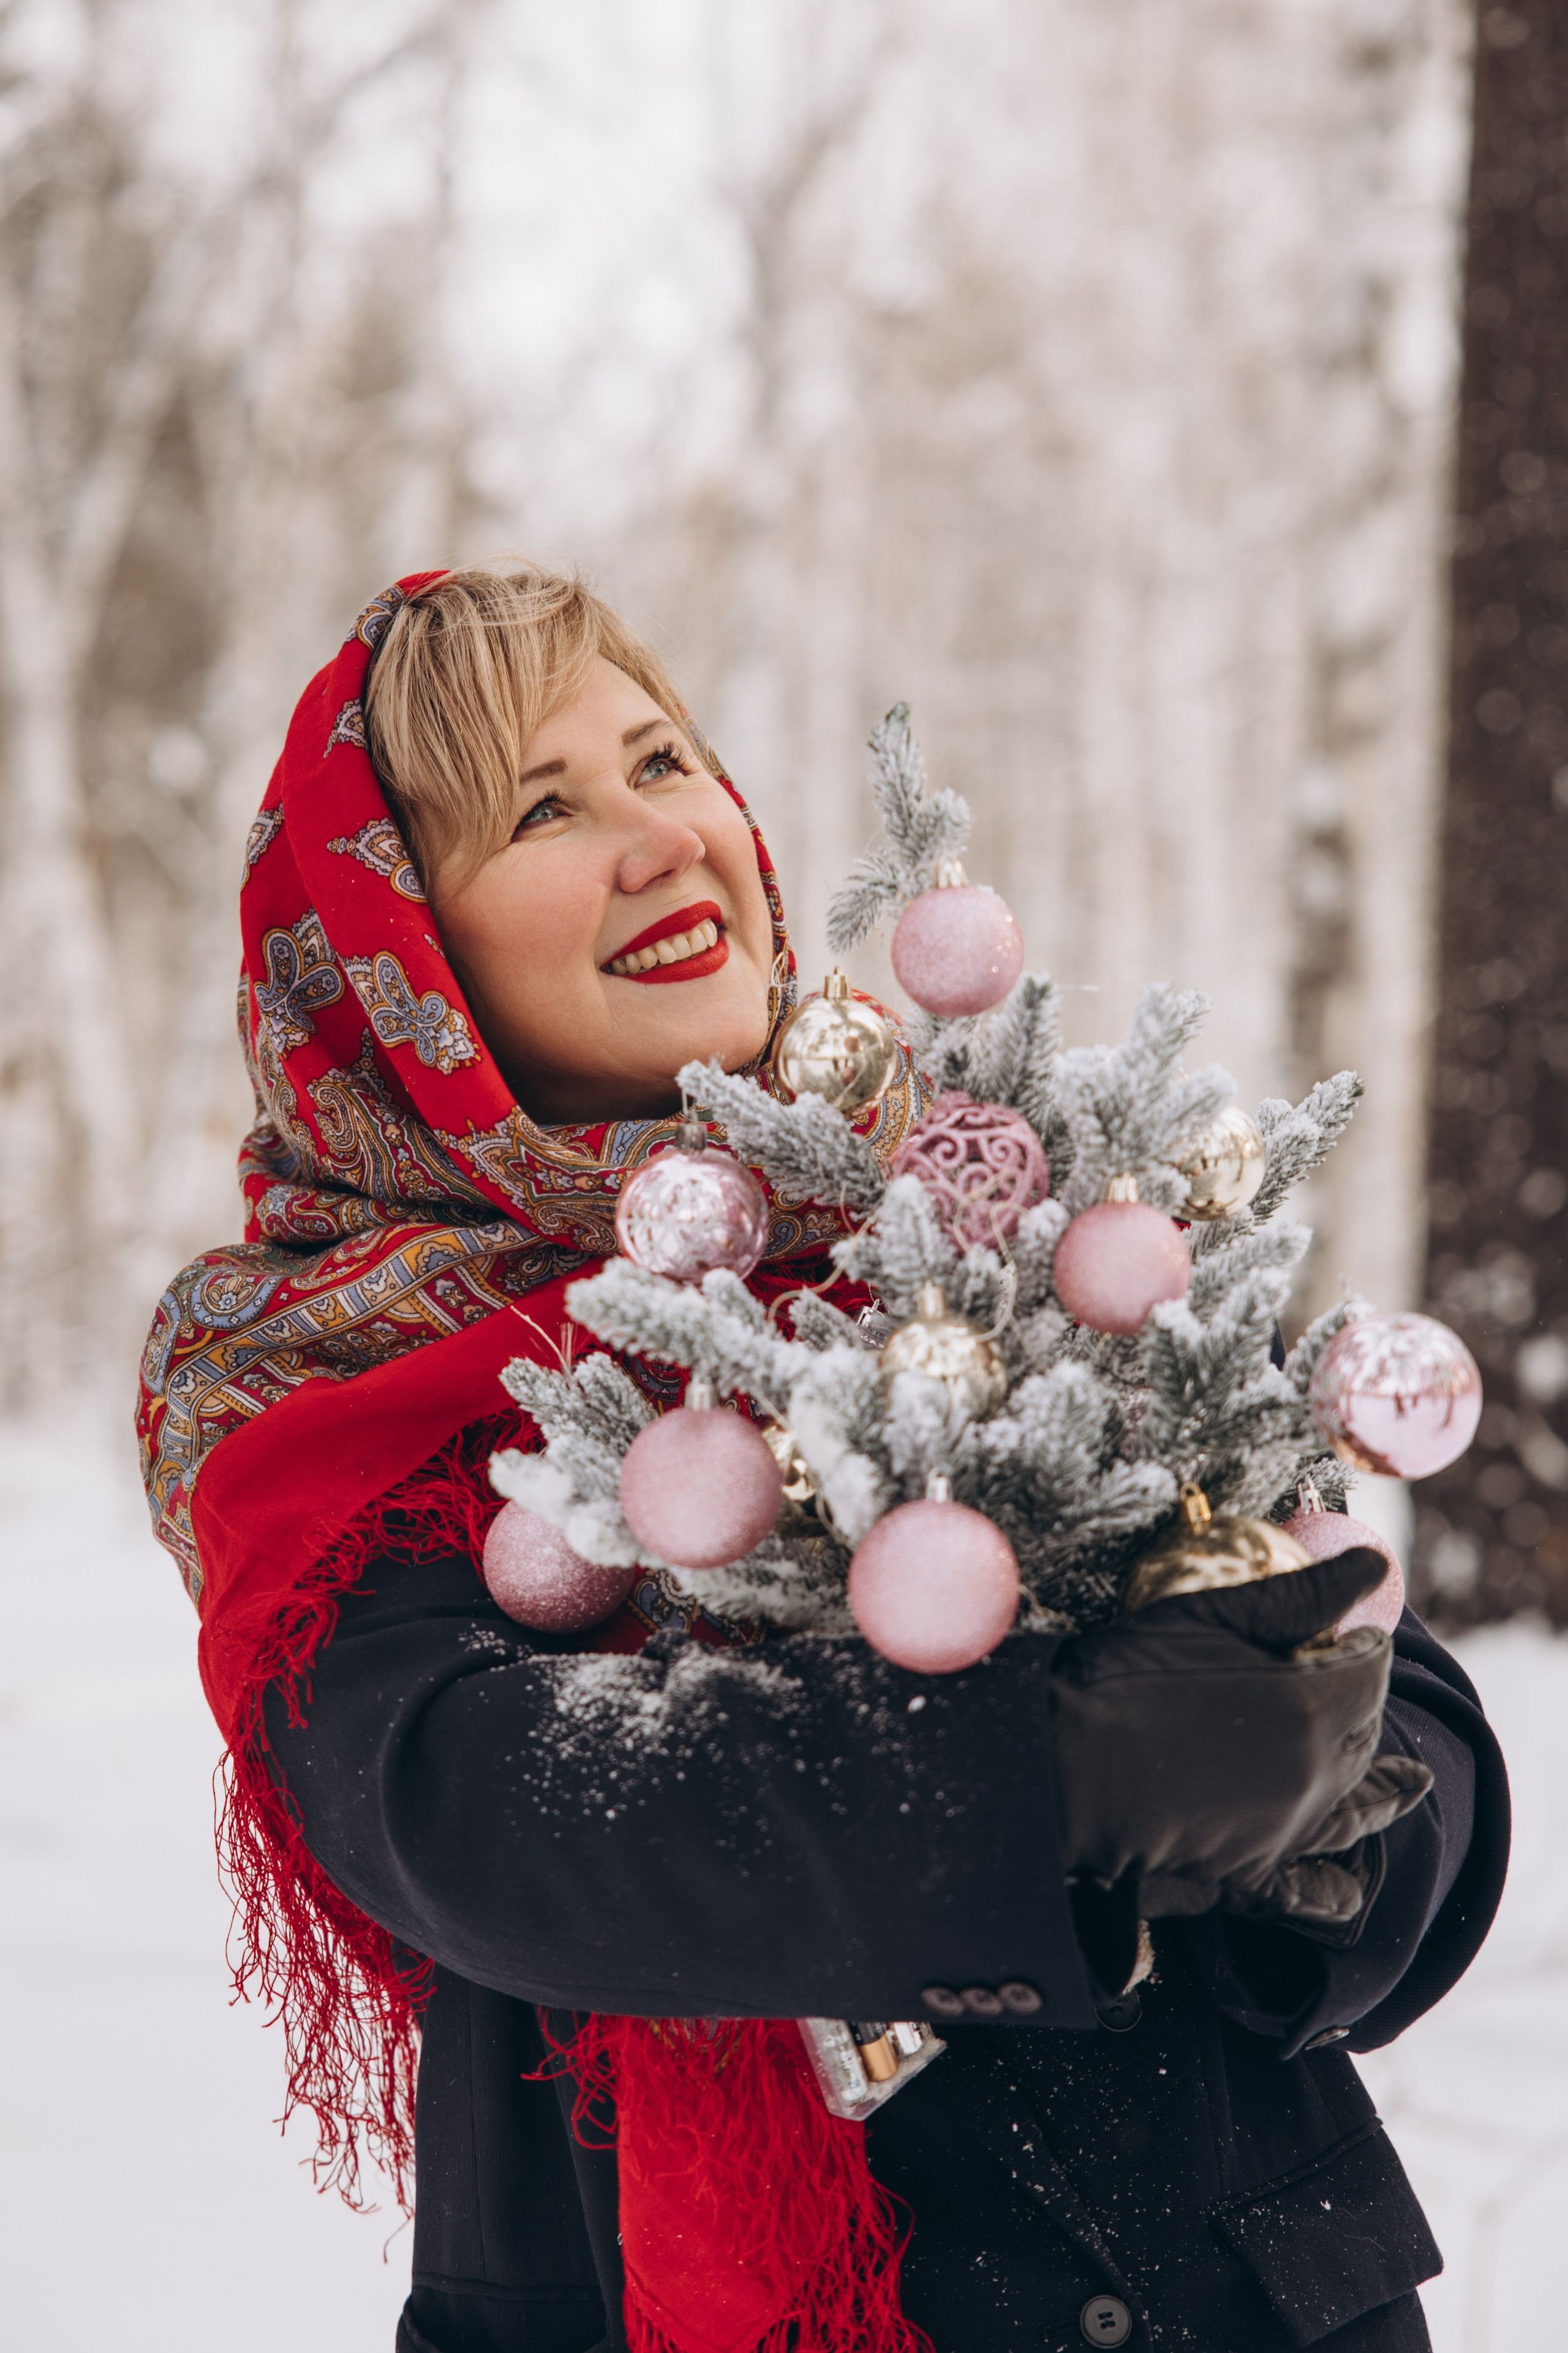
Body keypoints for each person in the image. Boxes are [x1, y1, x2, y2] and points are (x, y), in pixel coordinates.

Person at [138, 565, 1509, 2353]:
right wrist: (1056, 1779)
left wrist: (1329, 1816)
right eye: (544, 808)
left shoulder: (1000, 1234)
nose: (654, 838)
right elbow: (486, 1812)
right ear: (403, 962)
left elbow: (1404, 1705)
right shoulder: (325, 1390)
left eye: (662, 759)